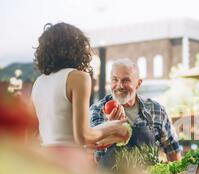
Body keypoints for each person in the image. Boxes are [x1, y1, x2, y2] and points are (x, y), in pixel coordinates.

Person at [31, 23, 130, 151]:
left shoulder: (38, 83)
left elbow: (32, 134)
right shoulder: (78, 77)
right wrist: (114, 128)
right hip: (69, 162)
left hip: (43, 162)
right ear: (76, 48)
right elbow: (83, 136)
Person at [90, 59, 182, 168]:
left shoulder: (156, 110)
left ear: (138, 84)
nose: (119, 86)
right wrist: (110, 128)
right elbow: (92, 152)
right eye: (115, 80)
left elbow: (173, 152)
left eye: (126, 80)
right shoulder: (97, 111)